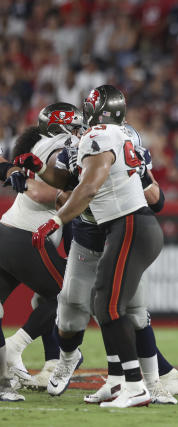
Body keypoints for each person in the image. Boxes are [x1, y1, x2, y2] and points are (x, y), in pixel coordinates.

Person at [18, 115, 178, 403]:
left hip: (123, 233)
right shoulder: (77, 150)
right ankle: (79, 364)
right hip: (89, 239)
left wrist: (137, 175)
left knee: (130, 312)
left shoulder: (112, 146)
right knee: (72, 311)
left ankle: (150, 383)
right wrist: (46, 173)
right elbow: (65, 193)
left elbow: (156, 201)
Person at [0, 103, 84, 401]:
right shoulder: (59, 146)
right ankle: (14, 349)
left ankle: (9, 369)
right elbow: (39, 191)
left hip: (7, 230)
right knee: (67, 297)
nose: (79, 132)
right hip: (27, 235)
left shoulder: (38, 143)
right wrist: (77, 197)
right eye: (75, 127)